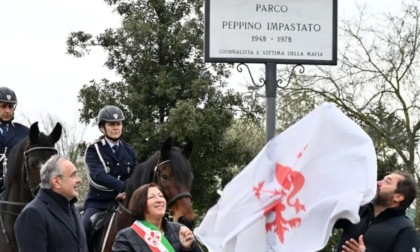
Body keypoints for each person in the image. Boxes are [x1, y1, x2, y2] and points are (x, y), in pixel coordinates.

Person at [83, 105, 138, 233]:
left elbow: (136, 175)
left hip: (126, 201)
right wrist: (122, 188)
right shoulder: (94, 149)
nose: (116, 128)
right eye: (111, 124)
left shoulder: (129, 150)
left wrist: (128, 191)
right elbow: (98, 176)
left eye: (118, 124)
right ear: (102, 127)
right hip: (99, 203)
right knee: (82, 231)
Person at [14, 155, 87, 252]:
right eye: (73, 175)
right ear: (56, 181)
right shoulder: (32, 214)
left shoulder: (72, 208)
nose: (79, 180)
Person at [335, 170, 420, 252]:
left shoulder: (406, 230)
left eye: (387, 182)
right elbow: (329, 217)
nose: (378, 183)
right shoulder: (358, 211)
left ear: (398, 197)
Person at [112, 183, 202, 252]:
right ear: (140, 204)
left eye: (161, 196)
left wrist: (188, 248)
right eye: (151, 197)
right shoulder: (126, 236)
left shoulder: (179, 229)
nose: (159, 200)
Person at [0, 87, 29, 190]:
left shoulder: (24, 133)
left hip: (15, 190)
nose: (8, 111)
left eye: (10, 107)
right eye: (3, 106)